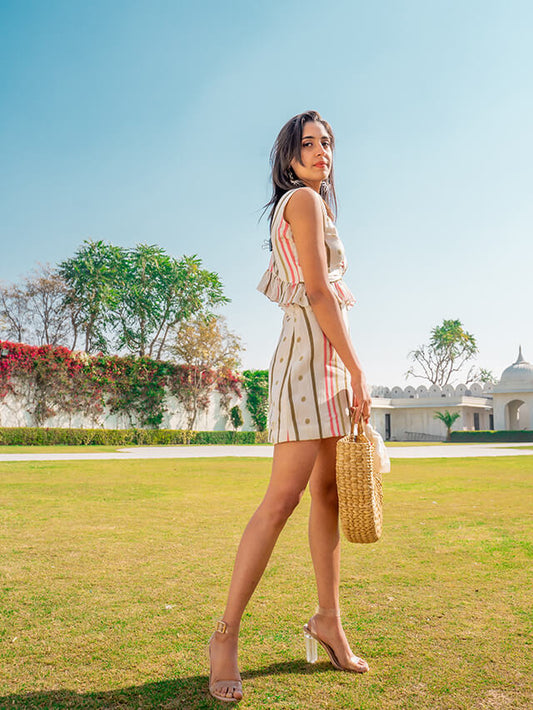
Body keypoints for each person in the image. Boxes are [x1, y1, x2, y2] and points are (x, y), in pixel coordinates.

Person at [208, 110, 372, 703]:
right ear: (287, 158)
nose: (320, 151)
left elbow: (323, 297)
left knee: (327, 494)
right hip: (309, 361)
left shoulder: (311, 205)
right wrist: (357, 370)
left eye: (327, 143)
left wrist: (347, 366)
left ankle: (328, 618)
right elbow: (319, 293)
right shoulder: (301, 203)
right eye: (307, 144)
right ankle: (224, 637)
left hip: (322, 358)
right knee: (282, 499)